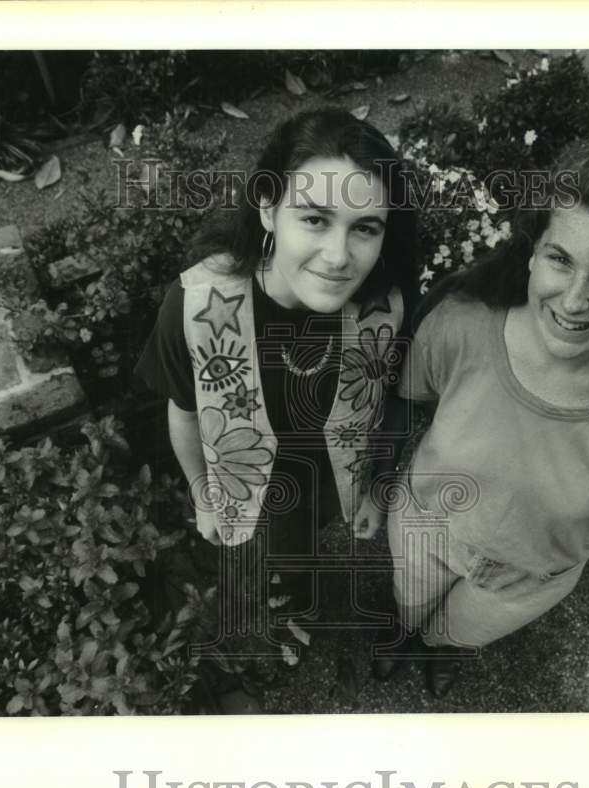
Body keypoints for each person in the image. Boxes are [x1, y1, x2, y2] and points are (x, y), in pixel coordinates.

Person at [374, 136, 589, 698]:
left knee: (463, 628)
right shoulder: (460, 324)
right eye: (561, 260)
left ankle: (441, 645)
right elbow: (406, 405)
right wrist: (378, 480)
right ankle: (404, 631)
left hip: (530, 577)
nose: (574, 301)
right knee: (409, 597)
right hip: (424, 527)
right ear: (533, 251)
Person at [134, 108, 417, 697]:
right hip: (241, 486)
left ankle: (285, 600)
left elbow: (385, 403)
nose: (339, 256)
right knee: (254, 557)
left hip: (325, 483)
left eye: (365, 227)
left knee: (297, 549)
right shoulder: (196, 306)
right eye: (315, 219)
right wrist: (201, 493)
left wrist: (376, 486)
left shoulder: (383, 309)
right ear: (268, 209)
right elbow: (184, 411)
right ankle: (270, 607)